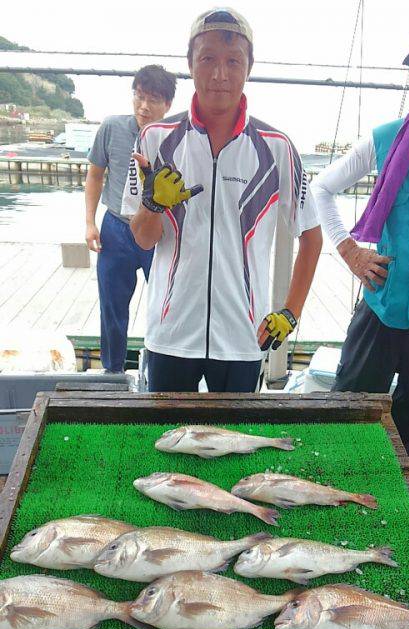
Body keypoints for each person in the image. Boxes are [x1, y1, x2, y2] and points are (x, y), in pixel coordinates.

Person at [122, 8, 322, 392]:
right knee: (165, 443)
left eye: (233, 61)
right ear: (190, 64)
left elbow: (311, 237)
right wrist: (153, 205)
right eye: (208, 59)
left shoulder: (277, 148)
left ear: (249, 66)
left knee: (236, 444)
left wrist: (290, 313)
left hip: (243, 336)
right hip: (170, 332)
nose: (219, 74)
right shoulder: (155, 139)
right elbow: (143, 239)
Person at [312, 5, 409, 465]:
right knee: (346, 413)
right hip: (380, 306)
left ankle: (393, 505)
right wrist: (350, 251)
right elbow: (322, 188)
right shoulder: (386, 138)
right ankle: (335, 492)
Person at [85, 65, 176, 373]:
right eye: (139, 96)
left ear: (168, 104)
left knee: (165, 307)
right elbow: (95, 176)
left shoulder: (175, 138)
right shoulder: (112, 127)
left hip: (157, 232)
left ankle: (159, 373)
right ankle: (112, 373)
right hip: (115, 227)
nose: (144, 106)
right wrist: (89, 222)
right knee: (111, 307)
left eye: (153, 99)